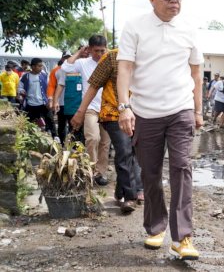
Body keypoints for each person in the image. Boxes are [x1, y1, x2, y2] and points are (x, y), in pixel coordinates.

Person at [116, 0, 202, 260]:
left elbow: (196, 72)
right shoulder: (135, 26)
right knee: (150, 174)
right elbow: (125, 68)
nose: (173, 1)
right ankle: (155, 227)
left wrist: (198, 110)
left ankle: (182, 237)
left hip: (180, 109)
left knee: (181, 168)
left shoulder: (189, 29)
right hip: (146, 113)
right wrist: (124, 107)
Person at [69, 49, 143, 214]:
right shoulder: (111, 57)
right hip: (113, 113)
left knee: (134, 152)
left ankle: (120, 191)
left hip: (141, 112)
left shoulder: (149, 56)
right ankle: (129, 197)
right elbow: (94, 85)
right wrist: (80, 112)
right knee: (124, 150)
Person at [62, 35, 111, 186]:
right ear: (89, 50)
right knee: (92, 138)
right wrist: (78, 53)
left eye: (102, 50)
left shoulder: (109, 61)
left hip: (108, 108)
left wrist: (108, 54)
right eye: (96, 51)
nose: (99, 54)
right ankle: (90, 170)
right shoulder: (83, 63)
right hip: (90, 108)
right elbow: (65, 67)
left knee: (105, 142)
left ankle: (100, 173)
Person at [17, 58, 56, 137]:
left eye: (42, 66)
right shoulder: (25, 77)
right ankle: (28, 139)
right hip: (30, 105)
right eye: (39, 66)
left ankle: (55, 138)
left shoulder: (44, 76)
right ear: (33, 67)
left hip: (43, 104)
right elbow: (19, 87)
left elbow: (50, 88)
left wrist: (50, 100)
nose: (41, 68)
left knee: (51, 122)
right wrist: (22, 91)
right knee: (28, 124)